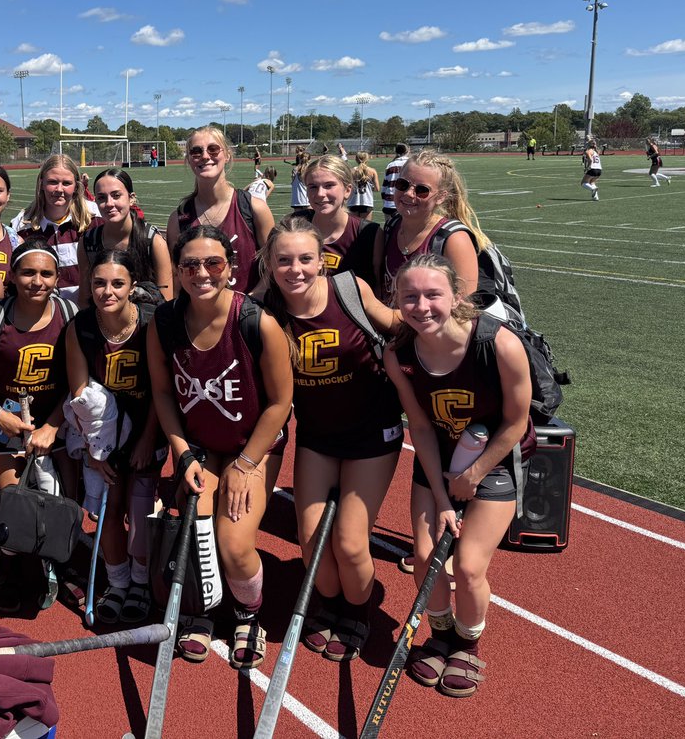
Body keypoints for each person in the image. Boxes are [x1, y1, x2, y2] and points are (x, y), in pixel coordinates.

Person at [384, 254, 535, 699]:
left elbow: (516, 422)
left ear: (457, 297)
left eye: (433, 294)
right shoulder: (400, 354)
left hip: (492, 462)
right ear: (398, 300)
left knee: (468, 566)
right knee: (428, 555)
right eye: (409, 297)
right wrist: (444, 496)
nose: (421, 306)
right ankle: (440, 635)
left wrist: (472, 475)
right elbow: (422, 429)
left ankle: (468, 645)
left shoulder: (498, 344)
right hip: (437, 462)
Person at [147, 225, 293, 670]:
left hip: (254, 447)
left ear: (230, 269)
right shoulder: (166, 321)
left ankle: (250, 613)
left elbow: (280, 403)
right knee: (193, 531)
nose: (202, 273)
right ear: (178, 270)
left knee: (232, 543)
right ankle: (201, 608)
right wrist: (183, 454)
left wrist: (246, 464)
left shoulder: (255, 321)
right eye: (190, 264)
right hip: (201, 448)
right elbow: (164, 395)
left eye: (213, 263)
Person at [257, 217, 402, 662]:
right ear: (269, 263)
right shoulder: (262, 308)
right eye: (284, 260)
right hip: (317, 436)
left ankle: (358, 613)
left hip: (372, 433)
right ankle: (332, 604)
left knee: (351, 542)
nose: (295, 269)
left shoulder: (349, 289)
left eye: (305, 259)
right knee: (310, 538)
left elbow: (399, 325)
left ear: (322, 261)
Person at [0, 240, 74, 612]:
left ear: (58, 278)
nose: (37, 281)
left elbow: (79, 382)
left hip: (56, 424)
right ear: (12, 275)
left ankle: (56, 566)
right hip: (6, 425)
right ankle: (14, 571)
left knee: (60, 501)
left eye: (46, 274)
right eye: (28, 272)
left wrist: (53, 426)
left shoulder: (69, 316)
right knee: (13, 510)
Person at [64, 249, 162, 624]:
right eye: (100, 283)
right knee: (108, 512)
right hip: (102, 435)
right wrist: (93, 451)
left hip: (144, 432)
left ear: (132, 286)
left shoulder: (151, 323)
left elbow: (160, 389)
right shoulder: (81, 326)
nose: (108, 291)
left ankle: (140, 581)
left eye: (118, 283)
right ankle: (119, 583)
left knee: (139, 516)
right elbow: (78, 394)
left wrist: (147, 439)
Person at [167, 125, 275, 293]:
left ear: (227, 155)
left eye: (213, 149)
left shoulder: (254, 208)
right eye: (196, 151)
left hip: (247, 314)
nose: (204, 156)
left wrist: (249, 304)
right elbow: (177, 277)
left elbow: (273, 265)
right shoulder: (179, 219)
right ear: (189, 159)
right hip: (200, 316)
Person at [375, 150, 481, 306]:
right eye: (402, 184)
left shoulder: (453, 240)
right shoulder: (392, 225)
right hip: (391, 329)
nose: (409, 194)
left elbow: (465, 309)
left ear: (441, 197)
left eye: (422, 190)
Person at [77, 169, 173, 306]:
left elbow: (165, 300)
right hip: (101, 323)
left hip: (145, 323)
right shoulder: (88, 242)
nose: (109, 203)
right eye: (102, 198)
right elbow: (85, 298)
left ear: (131, 198)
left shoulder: (152, 241)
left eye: (116, 195)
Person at [9, 155, 98, 300]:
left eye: (67, 183)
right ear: (41, 183)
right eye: (52, 182)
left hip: (89, 312)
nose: (59, 189)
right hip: (45, 314)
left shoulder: (95, 217)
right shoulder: (22, 224)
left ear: (76, 186)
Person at [299, 155, 379, 290]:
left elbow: (378, 288)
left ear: (347, 190)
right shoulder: (295, 225)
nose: (320, 194)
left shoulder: (369, 233)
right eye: (312, 187)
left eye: (329, 185)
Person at [381, 142, 410, 221]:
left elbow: (384, 186)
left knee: (389, 230)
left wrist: (385, 199)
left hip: (390, 202)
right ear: (407, 151)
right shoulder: (410, 164)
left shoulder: (391, 165)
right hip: (406, 202)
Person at [347, 152, 381, 220]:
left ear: (356, 159)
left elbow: (347, 187)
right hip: (367, 202)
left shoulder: (351, 171)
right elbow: (377, 189)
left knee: (354, 227)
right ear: (367, 159)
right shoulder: (372, 171)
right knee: (366, 228)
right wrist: (369, 187)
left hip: (353, 202)